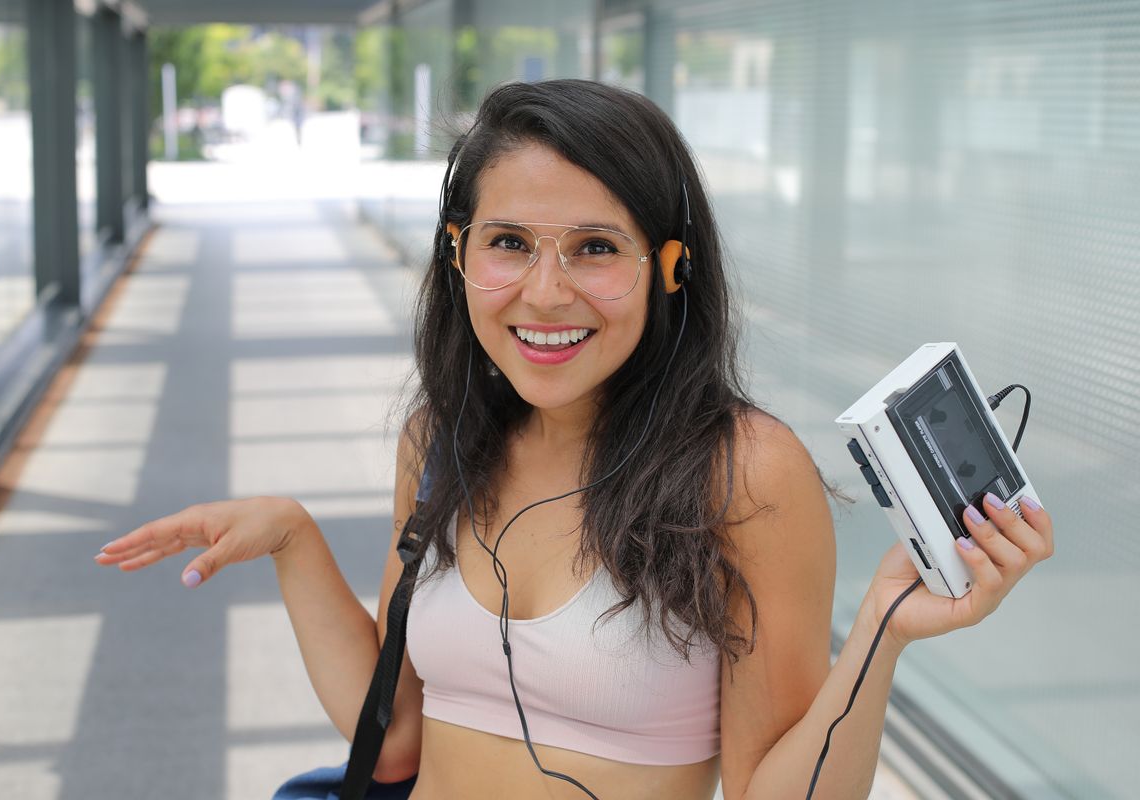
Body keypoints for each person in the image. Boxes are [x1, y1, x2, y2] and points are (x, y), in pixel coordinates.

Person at [94, 79, 1055, 799]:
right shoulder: (443, 438)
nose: (546, 293)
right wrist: (296, 541)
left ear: (670, 267)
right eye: (509, 242)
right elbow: (392, 743)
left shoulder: (742, 472)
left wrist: (880, 636)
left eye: (596, 247)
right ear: (458, 253)